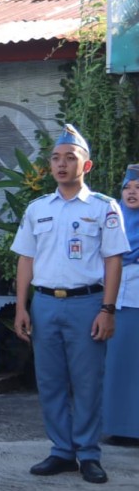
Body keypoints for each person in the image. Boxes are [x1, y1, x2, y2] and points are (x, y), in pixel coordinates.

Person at [12, 124, 127, 484]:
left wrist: (107, 310)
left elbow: (113, 260)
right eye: (56, 159)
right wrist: (21, 307)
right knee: (50, 382)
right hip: (45, 304)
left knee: (88, 381)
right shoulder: (37, 209)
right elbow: (25, 260)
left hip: (87, 304)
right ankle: (61, 451)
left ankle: (89, 454)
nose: (62, 165)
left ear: (86, 166)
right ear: (50, 166)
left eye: (70, 158)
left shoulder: (104, 207)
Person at [103, 163, 139, 448]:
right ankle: (118, 426)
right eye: (127, 187)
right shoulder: (113, 220)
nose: (131, 192)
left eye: (138, 188)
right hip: (116, 301)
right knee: (117, 364)